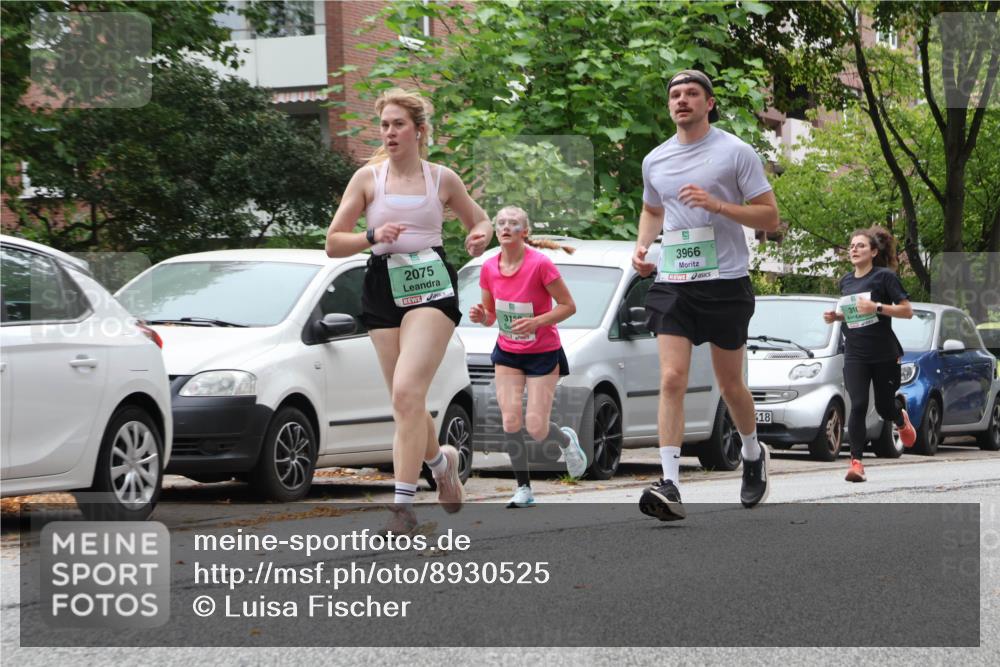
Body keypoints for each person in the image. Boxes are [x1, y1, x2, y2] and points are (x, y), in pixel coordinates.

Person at [325, 88, 492, 532]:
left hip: (431, 285)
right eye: (384, 125)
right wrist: (372, 234)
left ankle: (402, 507)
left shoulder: (442, 178)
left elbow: (480, 219)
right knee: (406, 403)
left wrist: (479, 234)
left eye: (398, 124)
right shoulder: (367, 179)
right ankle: (441, 464)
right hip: (382, 283)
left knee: (405, 392)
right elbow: (332, 243)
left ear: (419, 131)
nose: (390, 132)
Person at [632, 69, 781, 521]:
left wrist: (718, 205)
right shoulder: (655, 159)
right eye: (675, 94)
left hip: (726, 282)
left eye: (691, 94)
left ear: (709, 103)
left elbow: (770, 217)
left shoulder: (735, 152)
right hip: (675, 280)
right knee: (672, 377)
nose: (682, 100)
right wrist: (642, 246)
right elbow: (652, 208)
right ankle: (671, 483)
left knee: (730, 384)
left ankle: (753, 453)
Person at [468, 206, 586, 508]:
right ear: (496, 230)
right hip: (508, 352)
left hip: (543, 353)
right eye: (502, 223)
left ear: (525, 232)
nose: (507, 227)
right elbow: (491, 315)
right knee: (510, 420)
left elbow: (568, 306)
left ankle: (565, 440)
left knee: (536, 426)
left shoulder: (540, 265)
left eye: (514, 223)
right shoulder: (488, 267)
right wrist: (482, 316)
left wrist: (536, 321)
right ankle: (523, 489)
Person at [823, 226, 916, 482]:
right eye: (851, 246)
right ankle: (856, 463)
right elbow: (855, 313)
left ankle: (899, 416)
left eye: (860, 245)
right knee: (859, 404)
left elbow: (907, 311)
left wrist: (876, 306)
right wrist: (837, 316)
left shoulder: (885, 277)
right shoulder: (846, 281)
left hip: (884, 354)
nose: (854, 249)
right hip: (855, 353)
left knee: (884, 408)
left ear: (874, 251)